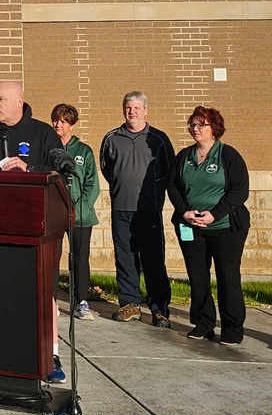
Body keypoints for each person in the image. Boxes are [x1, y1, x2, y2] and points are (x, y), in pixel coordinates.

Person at [0, 81, 66, 383]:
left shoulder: (44, 133)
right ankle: (0, 356)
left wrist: (29, 169)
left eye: (1, 99)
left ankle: (51, 355)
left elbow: (59, 176)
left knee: (43, 294)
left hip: (38, 230)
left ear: (20, 100)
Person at [167, 107, 249, 345]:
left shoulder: (229, 156)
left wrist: (214, 214)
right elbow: (172, 186)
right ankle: (203, 323)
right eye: (193, 124)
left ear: (215, 129)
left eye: (202, 124)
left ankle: (233, 329)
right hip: (190, 228)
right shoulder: (184, 156)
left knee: (227, 276)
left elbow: (239, 191)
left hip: (226, 228)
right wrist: (184, 211)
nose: (196, 129)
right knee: (198, 276)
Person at [100, 91, 175, 328]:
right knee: (125, 258)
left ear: (145, 110)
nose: (131, 111)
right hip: (121, 208)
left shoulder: (158, 139)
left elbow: (167, 171)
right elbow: (107, 169)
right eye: (128, 107)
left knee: (153, 259)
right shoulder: (112, 138)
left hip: (149, 209)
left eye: (136, 107)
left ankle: (159, 309)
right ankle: (130, 304)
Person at [50, 104, 100, 321]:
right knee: (52, 258)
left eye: (63, 121)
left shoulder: (84, 151)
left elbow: (92, 184)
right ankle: (51, 301)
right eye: (56, 120)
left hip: (80, 215)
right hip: (54, 215)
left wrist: (77, 210)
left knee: (80, 258)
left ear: (71, 124)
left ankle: (81, 302)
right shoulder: (48, 148)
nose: (58, 125)